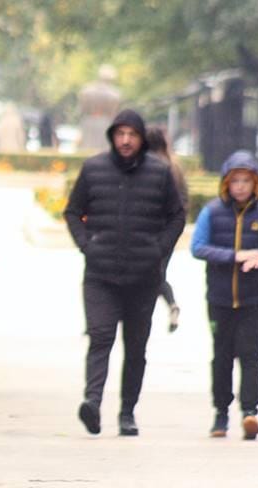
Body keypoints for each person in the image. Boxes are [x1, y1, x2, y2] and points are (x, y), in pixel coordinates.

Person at [64, 109, 185, 437]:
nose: (126, 140)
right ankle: (92, 402)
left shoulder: (160, 173)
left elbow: (177, 216)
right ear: (112, 137)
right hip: (100, 274)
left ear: (142, 138)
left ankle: (127, 412)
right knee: (100, 337)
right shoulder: (93, 169)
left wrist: (158, 249)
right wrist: (87, 245)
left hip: (143, 277)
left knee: (135, 348)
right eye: (120, 134)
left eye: (132, 134)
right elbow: (73, 211)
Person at [191, 150, 258, 439]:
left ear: (255, 184)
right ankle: (220, 414)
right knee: (221, 356)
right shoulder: (211, 212)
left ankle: (249, 412)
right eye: (235, 181)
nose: (241, 186)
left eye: (246, 180)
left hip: (253, 300)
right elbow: (198, 247)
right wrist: (234, 256)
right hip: (219, 299)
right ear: (226, 183)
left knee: (250, 355)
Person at [145, 126, 188, 332]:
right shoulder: (174, 166)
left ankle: (163, 306)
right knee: (159, 271)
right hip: (168, 231)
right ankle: (171, 304)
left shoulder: (148, 166)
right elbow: (184, 201)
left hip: (149, 230)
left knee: (151, 274)